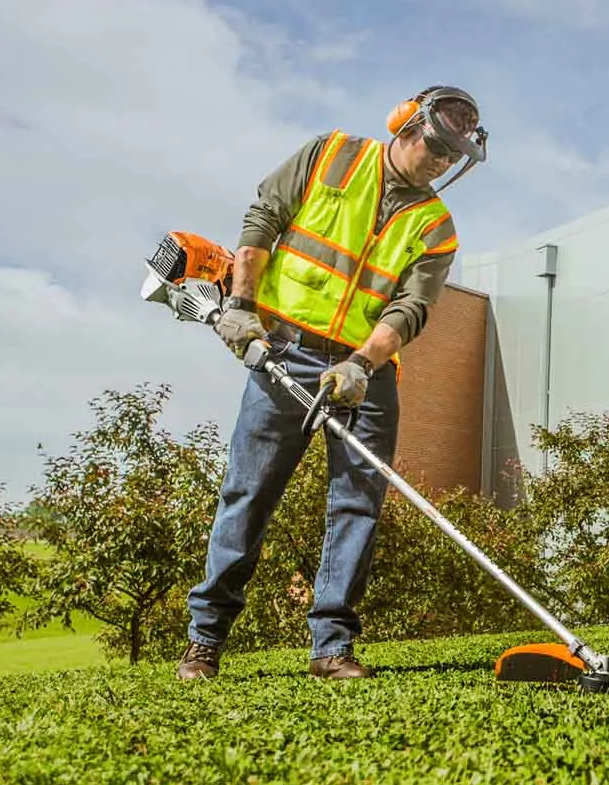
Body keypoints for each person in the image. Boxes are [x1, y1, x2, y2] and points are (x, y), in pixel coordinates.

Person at [177, 86, 487, 681]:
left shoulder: (436, 228)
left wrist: (363, 365)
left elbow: (411, 308)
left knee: (357, 507)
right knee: (249, 495)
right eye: (435, 147)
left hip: (363, 376)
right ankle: (205, 640)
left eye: (452, 158)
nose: (440, 163)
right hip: (282, 352)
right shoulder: (331, 155)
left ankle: (331, 647)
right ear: (405, 124)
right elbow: (263, 217)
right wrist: (242, 304)